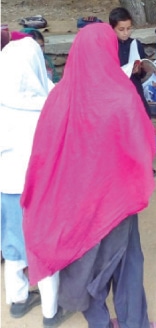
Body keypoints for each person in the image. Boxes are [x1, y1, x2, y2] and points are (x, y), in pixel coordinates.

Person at [21, 24, 156, 328]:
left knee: (87, 266)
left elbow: (43, 153)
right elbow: (144, 146)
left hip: (76, 203)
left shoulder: (59, 96)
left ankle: (99, 322)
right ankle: (133, 323)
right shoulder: (122, 95)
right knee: (127, 264)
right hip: (117, 200)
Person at [0, 37, 70, 328]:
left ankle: (17, 300)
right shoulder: (46, 105)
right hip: (40, 189)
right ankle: (51, 311)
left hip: (6, 186)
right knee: (43, 246)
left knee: (13, 243)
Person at [109, 7, 151, 118]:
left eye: (128, 28)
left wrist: (140, 70)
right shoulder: (108, 46)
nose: (125, 33)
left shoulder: (135, 44)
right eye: (121, 29)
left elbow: (142, 72)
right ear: (112, 28)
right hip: (116, 94)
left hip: (134, 91)